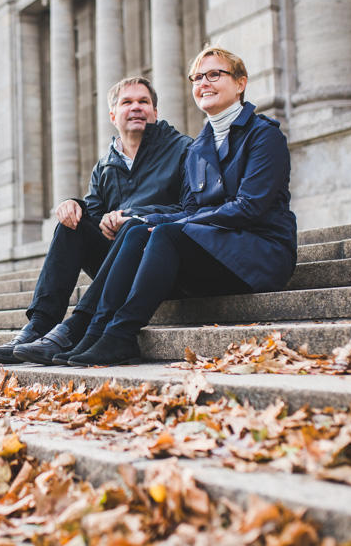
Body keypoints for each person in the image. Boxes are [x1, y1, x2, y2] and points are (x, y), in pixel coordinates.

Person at [61, 46, 297, 367]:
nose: (204, 83)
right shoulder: (198, 147)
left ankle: (120, 334)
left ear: (240, 83)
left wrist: (175, 225)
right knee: (137, 229)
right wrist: (143, 218)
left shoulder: (263, 135)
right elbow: (187, 209)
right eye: (197, 78)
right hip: (216, 253)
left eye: (215, 74)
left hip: (260, 254)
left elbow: (249, 208)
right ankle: (95, 331)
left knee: (167, 234)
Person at [0, 77, 191, 364]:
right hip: (117, 263)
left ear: (155, 112)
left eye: (144, 102)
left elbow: (192, 208)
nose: (136, 108)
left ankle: (74, 327)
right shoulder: (106, 165)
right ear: (113, 115)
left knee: (133, 225)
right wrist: (73, 206)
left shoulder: (182, 149)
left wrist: (133, 216)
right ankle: (40, 327)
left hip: (158, 260)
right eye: (127, 102)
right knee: (71, 224)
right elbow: (92, 216)